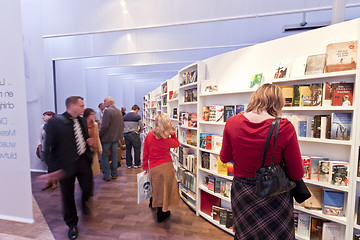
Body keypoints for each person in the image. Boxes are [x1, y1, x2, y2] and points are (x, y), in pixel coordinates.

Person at [219, 84, 304, 239]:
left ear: (255, 98)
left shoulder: (232, 122)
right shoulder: (284, 127)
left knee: (245, 234)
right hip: (273, 193)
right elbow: (297, 173)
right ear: (278, 103)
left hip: (242, 192)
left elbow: (224, 158)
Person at [42, 96, 94, 240]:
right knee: (67, 196)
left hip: (83, 160)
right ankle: (72, 224)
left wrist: (88, 143)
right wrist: (53, 170)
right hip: (65, 166)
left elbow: (82, 138)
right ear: (72, 106)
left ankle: (83, 202)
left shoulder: (82, 120)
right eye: (82, 106)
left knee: (88, 187)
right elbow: (48, 147)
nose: (84, 108)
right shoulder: (55, 122)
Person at [142, 114, 180, 223]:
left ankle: (152, 201)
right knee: (165, 190)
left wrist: (145, 166)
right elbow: (176, 144)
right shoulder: (166, 139)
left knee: (156, 186)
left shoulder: (149, 135)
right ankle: (162, 213)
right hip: (166, 167)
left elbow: (145, 153)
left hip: (154, 166)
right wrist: (173, 134)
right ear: (165, 125)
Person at [99, 96, 124, 181]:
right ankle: (114, 173)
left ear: (109, 102)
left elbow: (104, 126)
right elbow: (121, 125)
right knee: (114, 156)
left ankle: (106, 175)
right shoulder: (119, 112)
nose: (104, 103)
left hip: (107, 138)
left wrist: (100, 134)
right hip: (116, 138)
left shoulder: (107, 111)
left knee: (105, 156)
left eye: (105, 101)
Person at [38, 111, 57, 191]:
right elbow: (39, 138)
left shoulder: (56, 126)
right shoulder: (42, 127)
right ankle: (49, 181)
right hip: (46, 149)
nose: (43, 117)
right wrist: (39, 147)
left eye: (44, 116)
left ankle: (55, 182)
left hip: (55, 149)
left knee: (55, 166)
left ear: (51, 116)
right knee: (49, 166)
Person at [123, 104, 144, 169]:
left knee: (128, 149)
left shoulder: (125, 116)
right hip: (134, 134)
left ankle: (129, 164)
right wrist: (139, 131)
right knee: (137, 149)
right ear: (136, 109)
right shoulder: (137, 116)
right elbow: (142, 126)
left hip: (126, 134)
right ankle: (136, 164)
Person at [84, 108, 103, 177]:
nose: (94, 116)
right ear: (87, 115)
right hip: (85, 149)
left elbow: (97, 137)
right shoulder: (83, 125)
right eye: (91, 114)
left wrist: (100, 148)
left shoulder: (95, 124)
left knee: (93, 169)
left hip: (93, 148)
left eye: (94, 114)